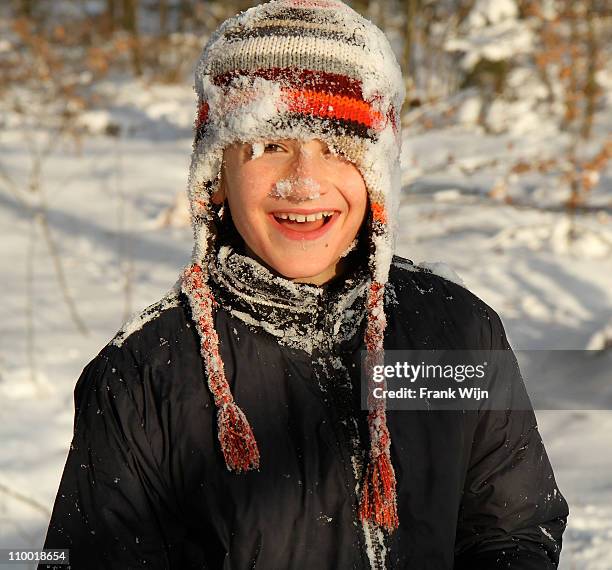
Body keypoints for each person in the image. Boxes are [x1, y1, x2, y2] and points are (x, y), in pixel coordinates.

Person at [40, 1, 569, 568]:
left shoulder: (455, 330)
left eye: (339, 149)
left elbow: (515, 527)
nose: (303, 182)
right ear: (216, 177)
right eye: (268, 146)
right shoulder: (145, 376)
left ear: (377, 177)